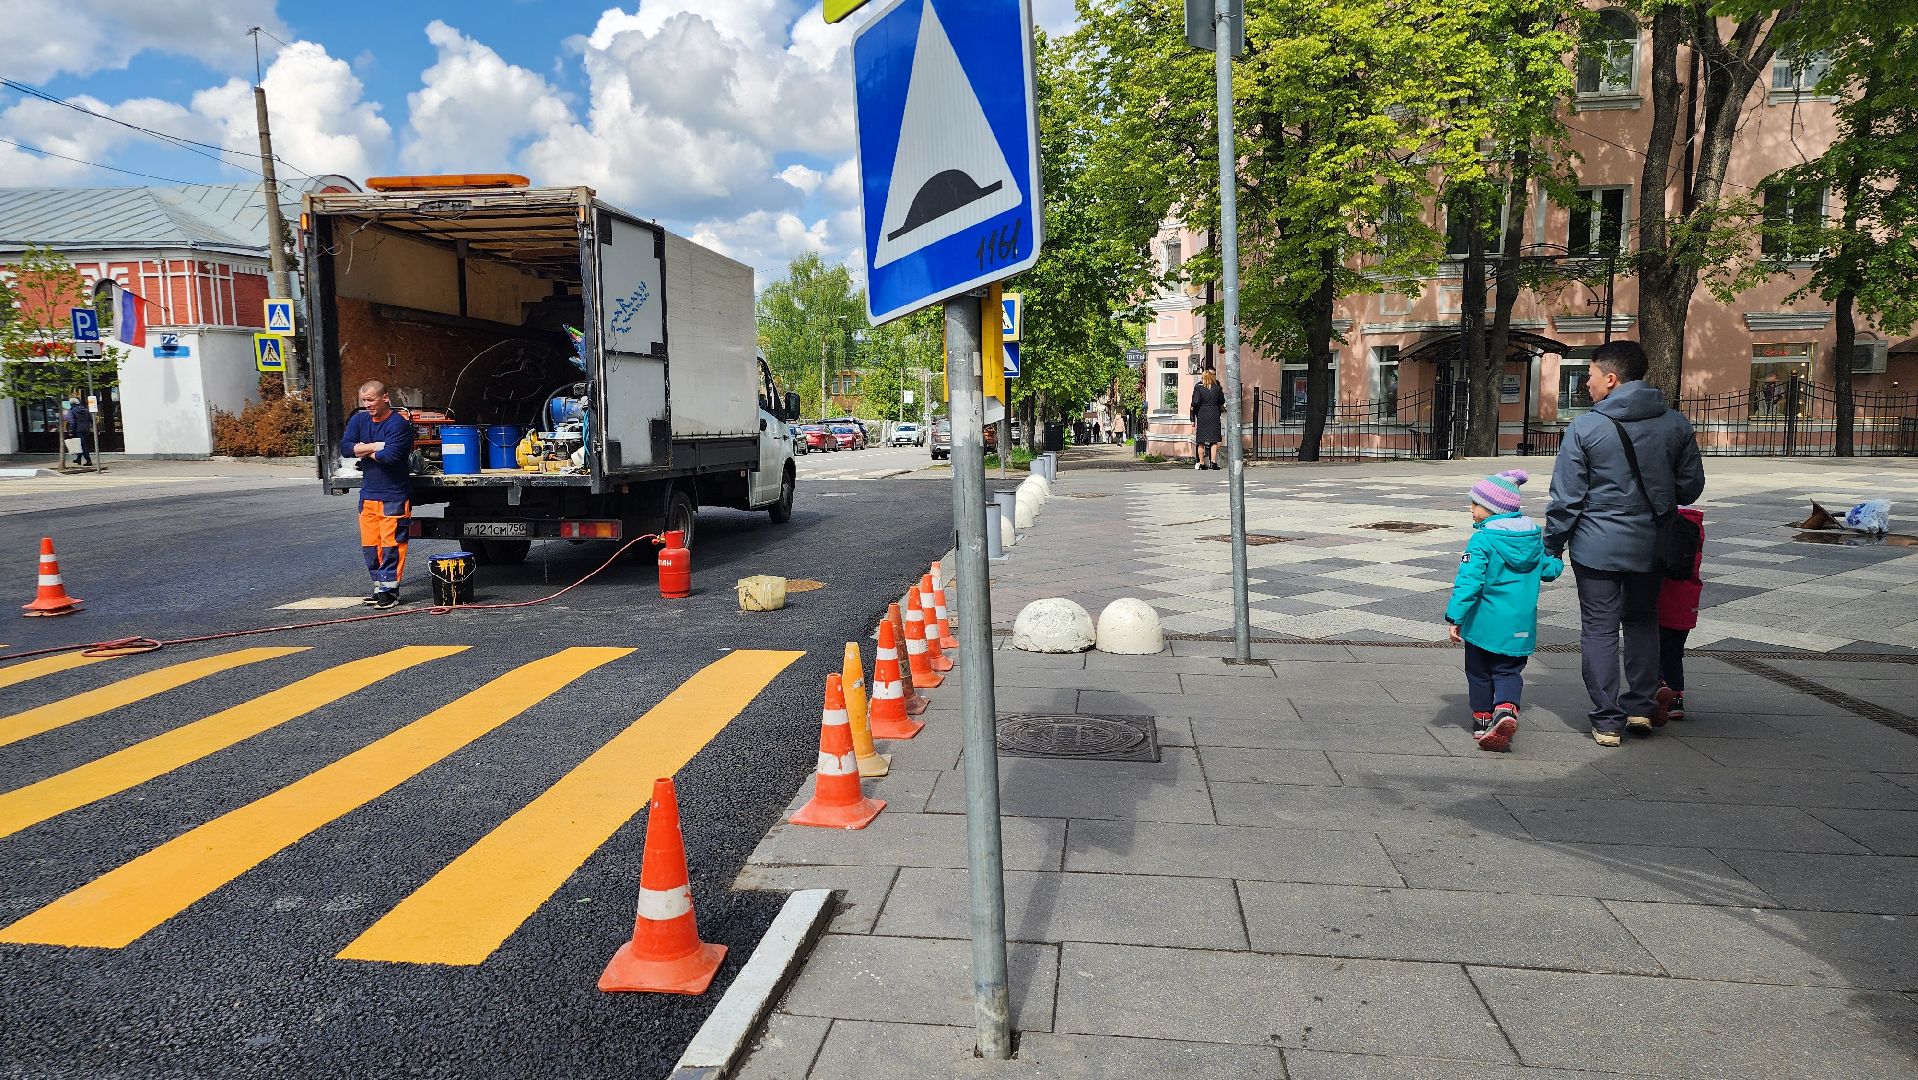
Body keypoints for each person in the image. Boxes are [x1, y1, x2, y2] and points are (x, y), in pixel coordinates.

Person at [1544, 340, 1705, 747]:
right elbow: (1690, 488)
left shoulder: (1585, 427)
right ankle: (1639, 707)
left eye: (1592, 376)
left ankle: (1607, 720)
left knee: (1598, 629)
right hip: (1651, 547)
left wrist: (1551, 546)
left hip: (1595, 548)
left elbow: (1567, 498)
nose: (1587, 385)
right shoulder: (1676, 424)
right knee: (1641, 622)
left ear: (1611, 379)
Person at [1445, 469, 1563, 752]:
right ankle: (1507, 709)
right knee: (1509, 670)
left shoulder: (1483, 540)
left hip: (1484, 624)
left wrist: (1454, 617)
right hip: (1520, 625)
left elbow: (1469, 582)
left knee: (1479, 671)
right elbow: (1548, 570)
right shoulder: (1532, 538)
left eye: (1475, 504)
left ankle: (1482, 719)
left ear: (1492, 508)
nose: (1471, 509)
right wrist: (1557, 559)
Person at [339, 380, 416, 609]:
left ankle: (390, 591)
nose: (368, 405)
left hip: (394, 495)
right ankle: (379, 587)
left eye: (371, 399)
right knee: (371, 546)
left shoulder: (398, 424)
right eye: (364, 400)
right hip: (369, 496)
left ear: (385, 398)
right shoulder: (359, 419)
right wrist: (377, 446)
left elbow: (392, 457)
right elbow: (345, 448)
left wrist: (364, 449)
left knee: (392, 545)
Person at [1655, 506, 1706, 723]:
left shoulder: (1661, 527)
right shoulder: (1693, 529)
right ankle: (1676, 698)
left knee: (1653, 649)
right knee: (1674, 652)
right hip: (1686, 604)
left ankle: (1657, 693)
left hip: (1660, 602)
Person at [1189, 366, 1225, 471]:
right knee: (1214, 440)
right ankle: (1213, 463)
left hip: (1202, 414)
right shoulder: (1217, 388)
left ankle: (1201, 463)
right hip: (1214, 413)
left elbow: (1195, 402)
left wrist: (1193, 416)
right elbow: (1222, 401)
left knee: (1201, 441)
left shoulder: (1198, 388)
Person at [66, 394, 93, 467]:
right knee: (81, 444)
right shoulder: (85, 410)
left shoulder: (72, 411)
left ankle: (88, 460)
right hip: (86, 429)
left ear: (72, 404)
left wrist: (70, 431)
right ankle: (78, 459)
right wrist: (96, 429)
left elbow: (72, 422)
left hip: (78, 430)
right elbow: (91, 420)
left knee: (83, 445)